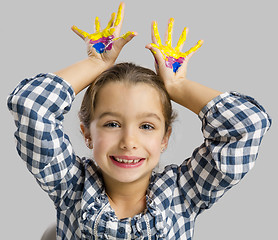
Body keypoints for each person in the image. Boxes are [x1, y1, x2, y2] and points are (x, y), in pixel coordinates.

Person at [7, 2, 271, 240]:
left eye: (146, 126)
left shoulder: (185, 192)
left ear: (164, 137)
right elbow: (31, 106)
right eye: (112, 124)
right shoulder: (70, 186)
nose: (129, 142)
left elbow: (247, 124)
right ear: (87, 133)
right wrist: (94, 63)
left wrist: (178, 86)